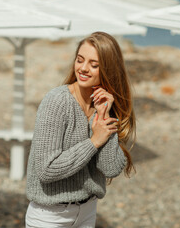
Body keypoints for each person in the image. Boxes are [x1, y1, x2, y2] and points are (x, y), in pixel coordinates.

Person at [25, 31, 136, 228]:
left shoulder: (104, 105)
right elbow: (46, 169)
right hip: (50, 216)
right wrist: (94, 142)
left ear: (109, 70)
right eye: (80, 60)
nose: (83, 69)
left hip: (87, 212)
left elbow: (111, 168)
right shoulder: (57, 101)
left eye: (94, 65)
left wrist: (104, 116)